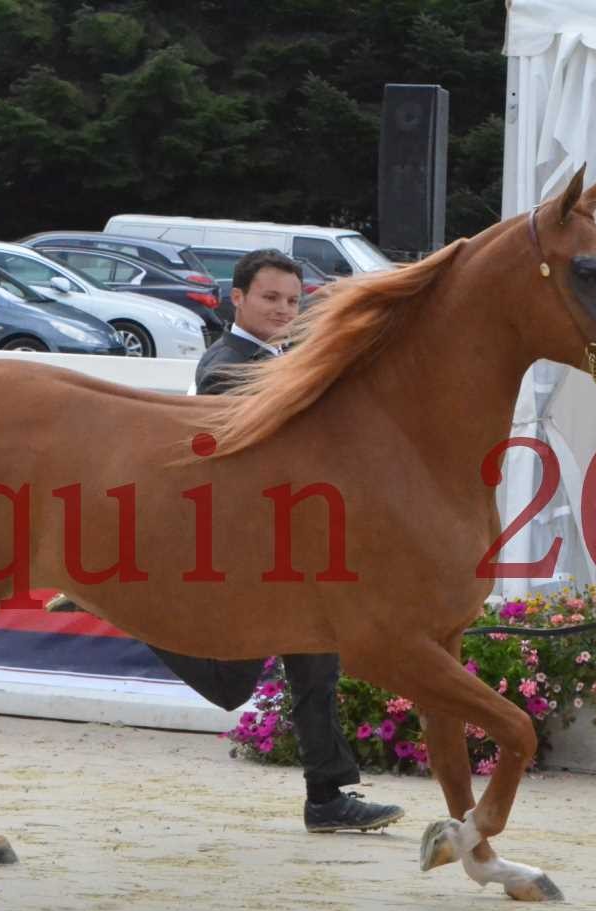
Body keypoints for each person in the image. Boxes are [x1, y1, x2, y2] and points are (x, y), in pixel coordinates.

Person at [51, 250, 403, 833]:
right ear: (236, 299)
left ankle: (328, 797)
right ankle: (110, 601)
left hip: (288, 549)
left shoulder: (287, 360)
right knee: (233, 684)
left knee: (317, 667)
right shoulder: (226, 365)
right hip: (240, 552)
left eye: (292, 301)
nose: (283, 310)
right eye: (270, 298)